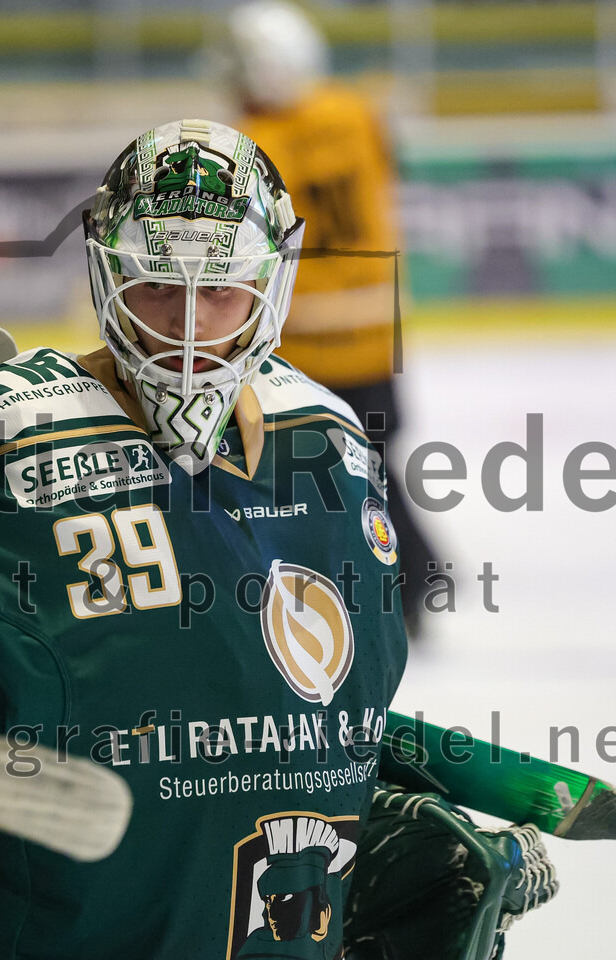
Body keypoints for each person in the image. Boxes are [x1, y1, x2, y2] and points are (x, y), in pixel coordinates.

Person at [0, 120, 556, 959]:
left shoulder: (331, 443)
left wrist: (357, 815)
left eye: (222, 291)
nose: (190, 334)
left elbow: (315, 699)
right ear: (107, 273)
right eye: (159, 287)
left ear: (273, 279)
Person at [225, 0, 438, 636]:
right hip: (375, 332)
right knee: (369, 463)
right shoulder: (357, 112)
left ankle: (407, 578)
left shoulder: (251, 142)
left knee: (326, 474)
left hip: (307, 344)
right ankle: (411, 577)